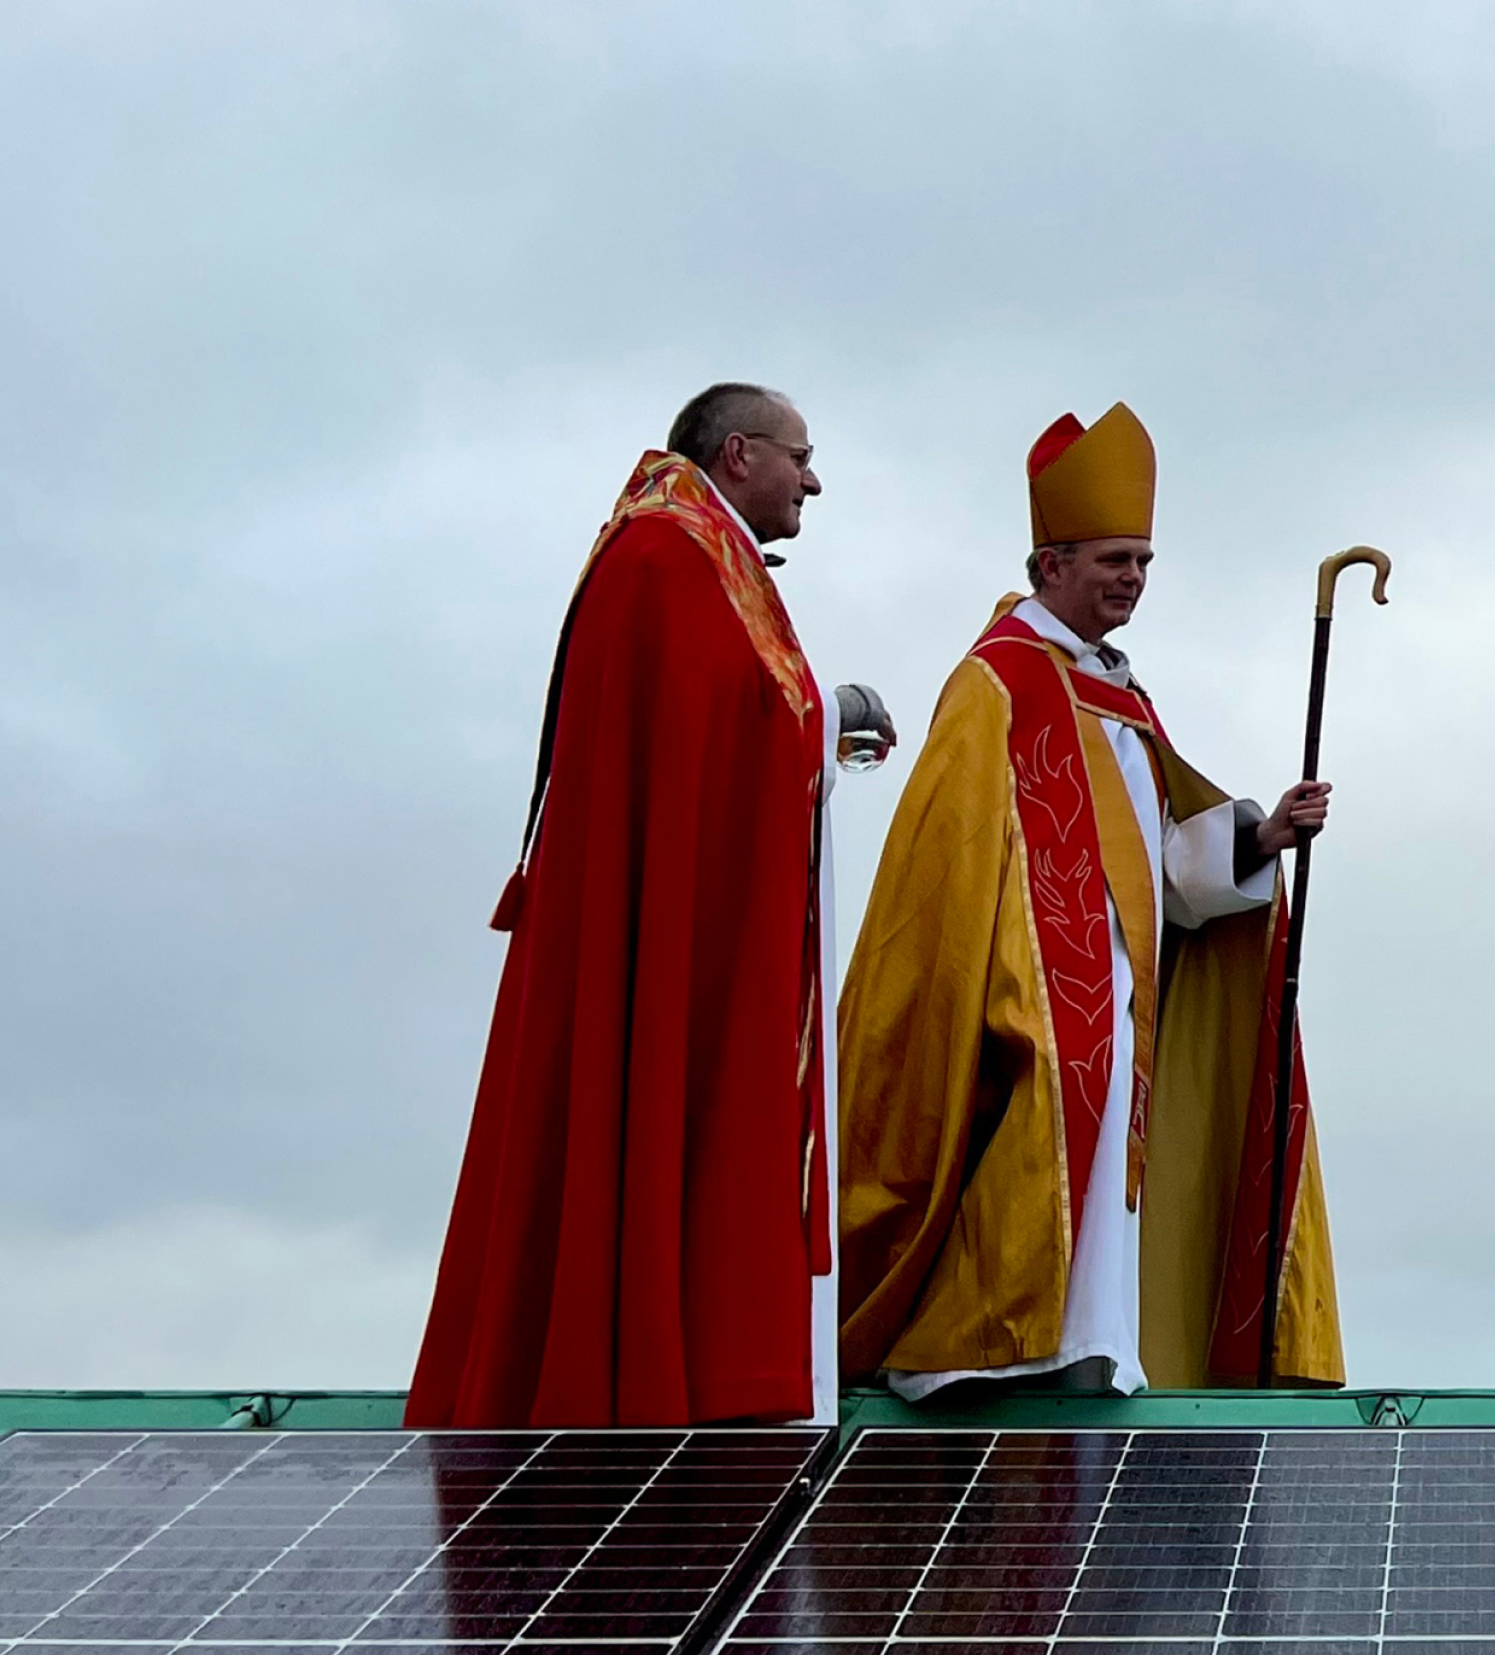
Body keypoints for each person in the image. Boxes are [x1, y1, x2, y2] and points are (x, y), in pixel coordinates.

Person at [837, 403, 1344, 1397]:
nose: (1133, 579)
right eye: (1114, 558)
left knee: (1109, 1141)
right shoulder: (1002, 683)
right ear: (1049, 566)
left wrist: (1259, 837)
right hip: (1022, 979)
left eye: (1145, 562)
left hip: (1120, 993)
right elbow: (948, 856)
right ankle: (980, 1340)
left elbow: (1157, 868)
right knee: (1031, 1128)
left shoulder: (1120, 694)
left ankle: (1089, 1344)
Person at [409, 385, 845, 1427]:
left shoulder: (699, 550)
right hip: (671, 935)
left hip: (700, 913)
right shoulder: (666, 558)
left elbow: (729, 719)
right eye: (801, 457)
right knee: (643, 1095)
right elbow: (722, 722)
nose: (814, 481)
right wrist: (830, 723)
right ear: (738, 454)